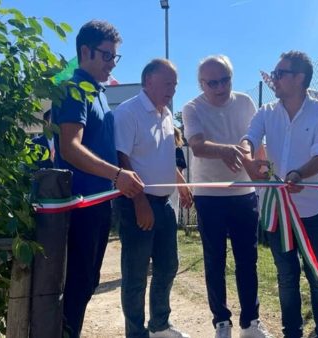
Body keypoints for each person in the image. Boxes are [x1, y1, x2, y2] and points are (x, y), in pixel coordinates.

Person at [52, 20, 144, 338]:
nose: (111, 63)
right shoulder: (74, 90)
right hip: (80, 206)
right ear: (84, 51)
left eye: (115, 57)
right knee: (77, 286)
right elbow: (70, 147)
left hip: (99, 204)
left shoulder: (99, 92)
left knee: (87, 283)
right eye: (107, 56)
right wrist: (117, 174)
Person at [242, 51, 318, 338]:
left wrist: (298, 174)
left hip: (312, 213)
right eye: (275, 72)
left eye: (280, 73)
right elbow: (249, 138)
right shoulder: (265, 112)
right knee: (286, 279)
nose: (274, 78)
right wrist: (248, 158)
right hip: (277, 213)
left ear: (300, 78)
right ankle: (292, 333)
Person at [182, 55, 272, 338]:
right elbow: (196, 146)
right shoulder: (191, 108)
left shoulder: (245, 102)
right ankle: (221, 322)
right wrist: (226, 150)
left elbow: (257, 142)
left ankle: (250, 323)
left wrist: (260, 169)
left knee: (248, 259)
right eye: (212, 82)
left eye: (225, 80)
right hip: (209, 195)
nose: (220, 87)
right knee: (214, 260)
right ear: (201, 83)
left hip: (245, 193)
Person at [114, 58, 191, 338]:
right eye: (167, 83)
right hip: (137, 204)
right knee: (135, 276)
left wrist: (181, 184)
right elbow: (122, 159)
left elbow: (164, 155)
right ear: (148, 81)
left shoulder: (166, 114)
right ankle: (135, 333)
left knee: (168, 266)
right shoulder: (128, 112)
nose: (172, 89)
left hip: (162, 204)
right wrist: (140, 202)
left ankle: (159, 325)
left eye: (175, 84)